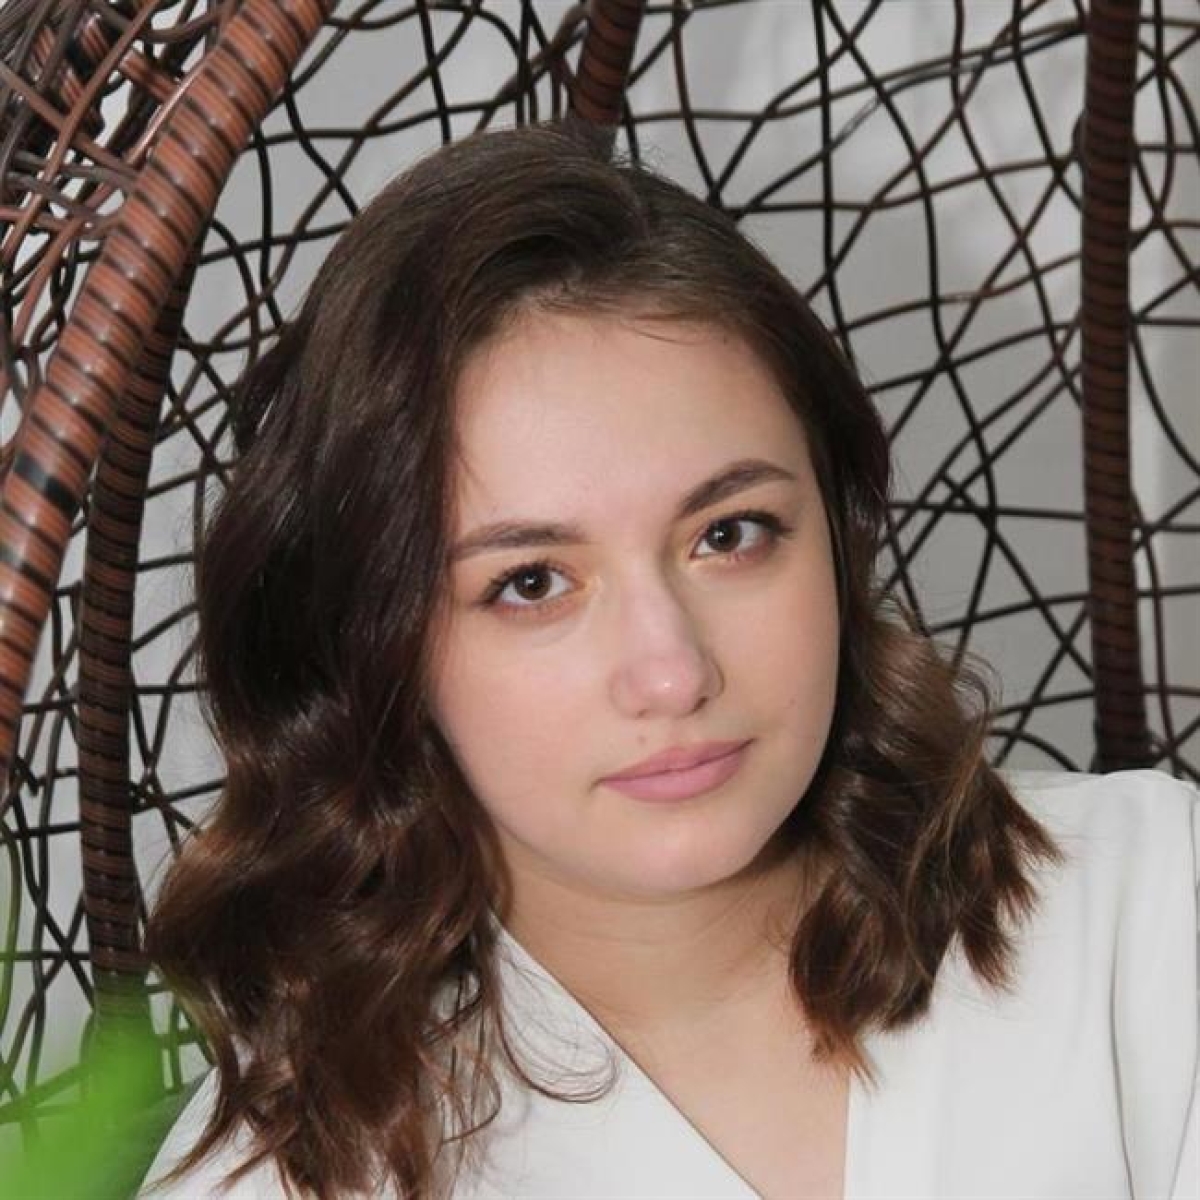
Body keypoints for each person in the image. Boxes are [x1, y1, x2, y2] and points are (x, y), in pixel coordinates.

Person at [139, 123, 1198, 1200]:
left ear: (835, 531)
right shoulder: (289, 1178)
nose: (672, 673)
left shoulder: (1151, 911)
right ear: (380, 637)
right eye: (532, 583)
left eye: (729, 534)